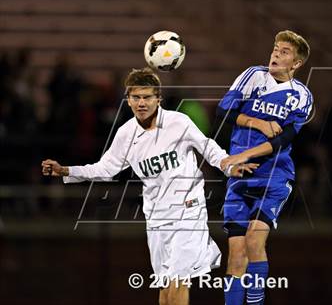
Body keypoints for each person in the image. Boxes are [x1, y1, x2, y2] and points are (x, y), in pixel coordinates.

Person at [41, 67, 258, 305]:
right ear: (128, 99)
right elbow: (105, 169)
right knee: (165, 289)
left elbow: (208, 148)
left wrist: (228, 166)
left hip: (188, 211)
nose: (141, 103)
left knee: (178, 282)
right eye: (136, 97)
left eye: (147, 97)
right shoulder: (126, 134)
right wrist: (67, 171)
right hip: (156, 216)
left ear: (158, 99)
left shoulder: (179, 122)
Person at [218, 30, 313, 305]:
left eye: (284, 52)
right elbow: (223, 112)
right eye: (275, 48)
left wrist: (243, 155)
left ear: (296, 64)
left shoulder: (302, 97)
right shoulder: (252, 76)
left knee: (253, 242)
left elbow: (283, 141)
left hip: (273, 176)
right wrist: (257, 123)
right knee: (235, 255)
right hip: (241, 174)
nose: (275, 53)